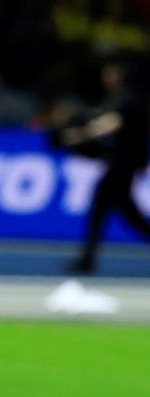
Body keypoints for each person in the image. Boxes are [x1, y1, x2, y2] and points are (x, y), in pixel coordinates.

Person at [60, 58, 150, 274]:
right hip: (121, 162)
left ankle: (87, 260)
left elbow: (110, 124)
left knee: (111, 210)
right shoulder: (118, 100)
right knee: (124, 213)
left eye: (111, 75)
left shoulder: (129, 100)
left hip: (124, 164)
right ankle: (87, 259)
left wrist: (80, 135)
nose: (107, 79)